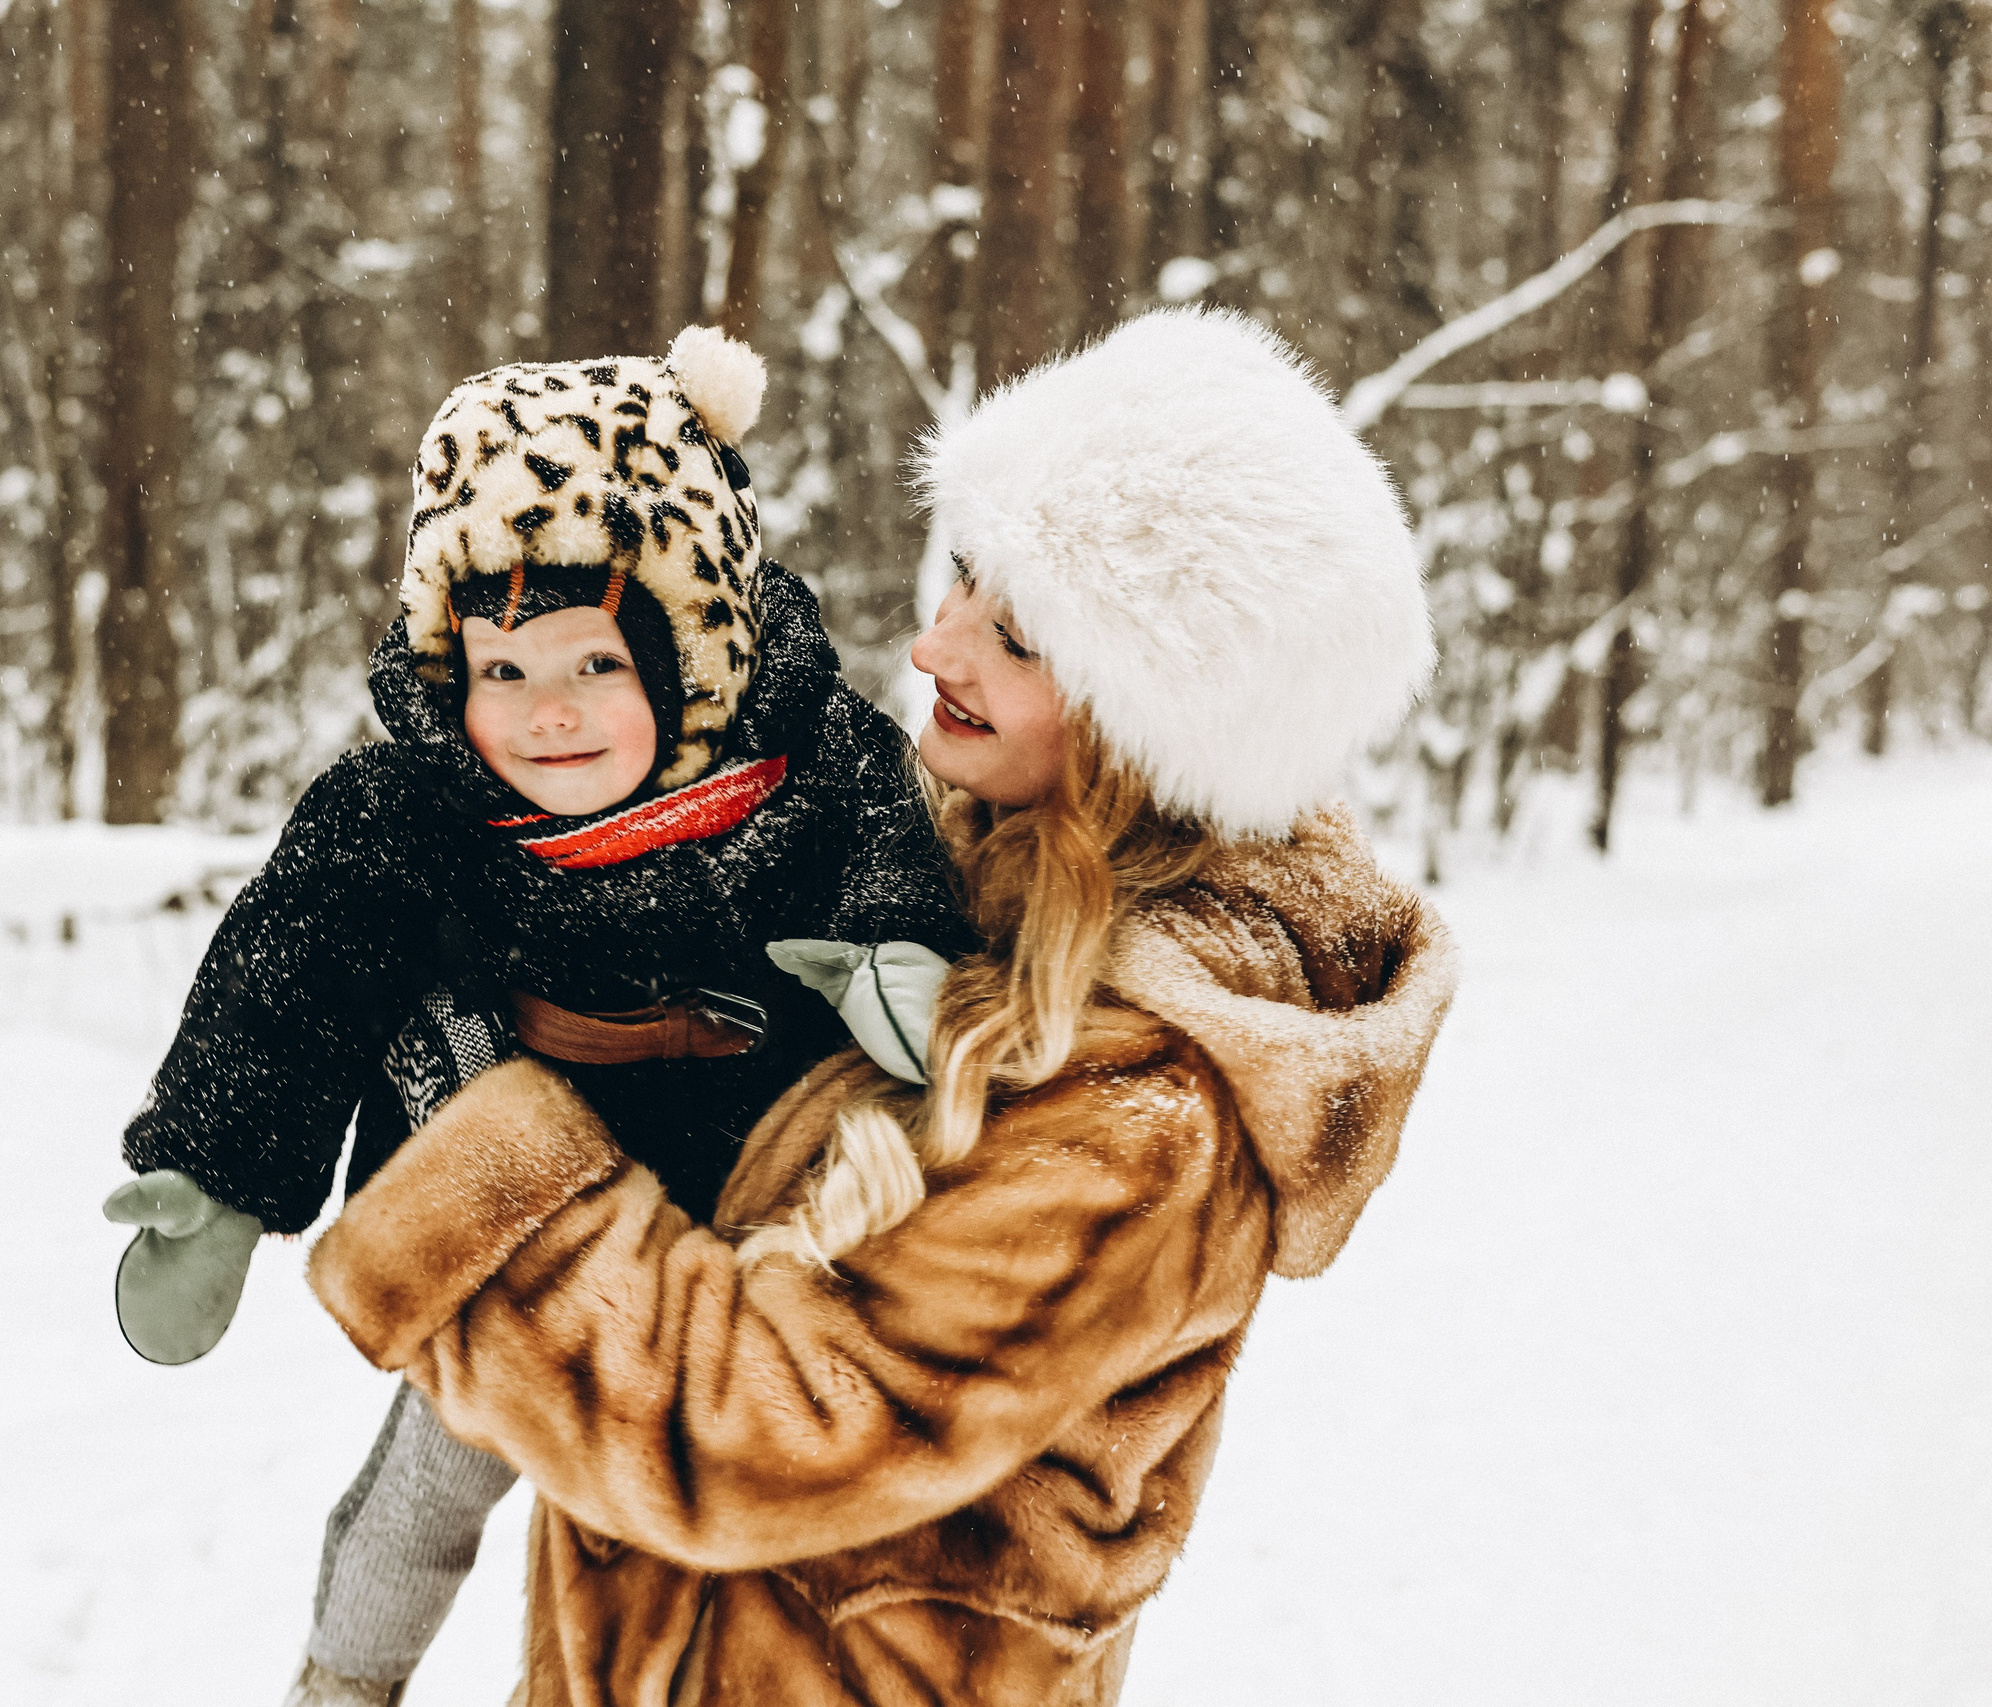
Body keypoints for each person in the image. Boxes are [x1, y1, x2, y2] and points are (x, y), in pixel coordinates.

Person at [305, 307, 1463, 1705]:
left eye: (1016, 635)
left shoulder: (1143, 1107)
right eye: (964, 579)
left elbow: (765, 1430)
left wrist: (495, 1164)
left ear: (1152, 726)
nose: (932, 646)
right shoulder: (956, 888)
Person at [106, 325, 977, 1706]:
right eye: (502, 674)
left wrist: (896, 957)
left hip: (738, 1193)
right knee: (438, 1474)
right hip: (506, 1195)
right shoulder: (420, 806)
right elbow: (296, 966)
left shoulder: (803, 764)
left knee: (688, 1514)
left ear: (692, 662)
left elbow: (885, 838)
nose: (545, 716)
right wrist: (215, 1169)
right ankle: (344, 1680)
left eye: (594, 668)